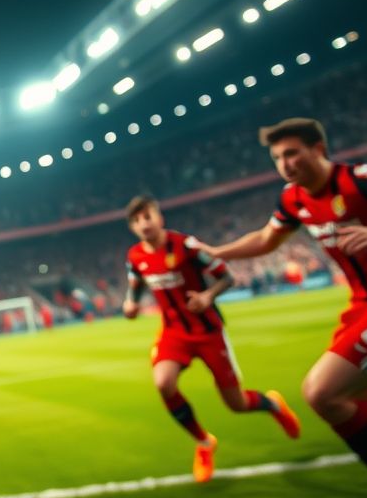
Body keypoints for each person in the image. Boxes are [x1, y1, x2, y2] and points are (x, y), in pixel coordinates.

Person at [191, 118, 367, 498]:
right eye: (277, 157)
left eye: (292, 152)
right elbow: (265, 239)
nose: (285, 163)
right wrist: (216, 250)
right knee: (349, 407)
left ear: (318, 148)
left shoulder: (363, 181)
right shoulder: (293, 199)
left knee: (321, 393)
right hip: (363, 307)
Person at [122, 195, 300, 483]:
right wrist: (130, 304)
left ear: (159, 217)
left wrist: (207, 296)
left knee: (236, 404)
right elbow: (134, 288)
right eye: (137, 220)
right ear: (132, 227)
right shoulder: (135, 257)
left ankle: (273, 405)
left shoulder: (186, 246)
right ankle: (204, 442)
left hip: (207, 332)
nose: (144, 224)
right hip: (173, 332)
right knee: (163, 382)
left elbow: (226, 277)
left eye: (148, 216)